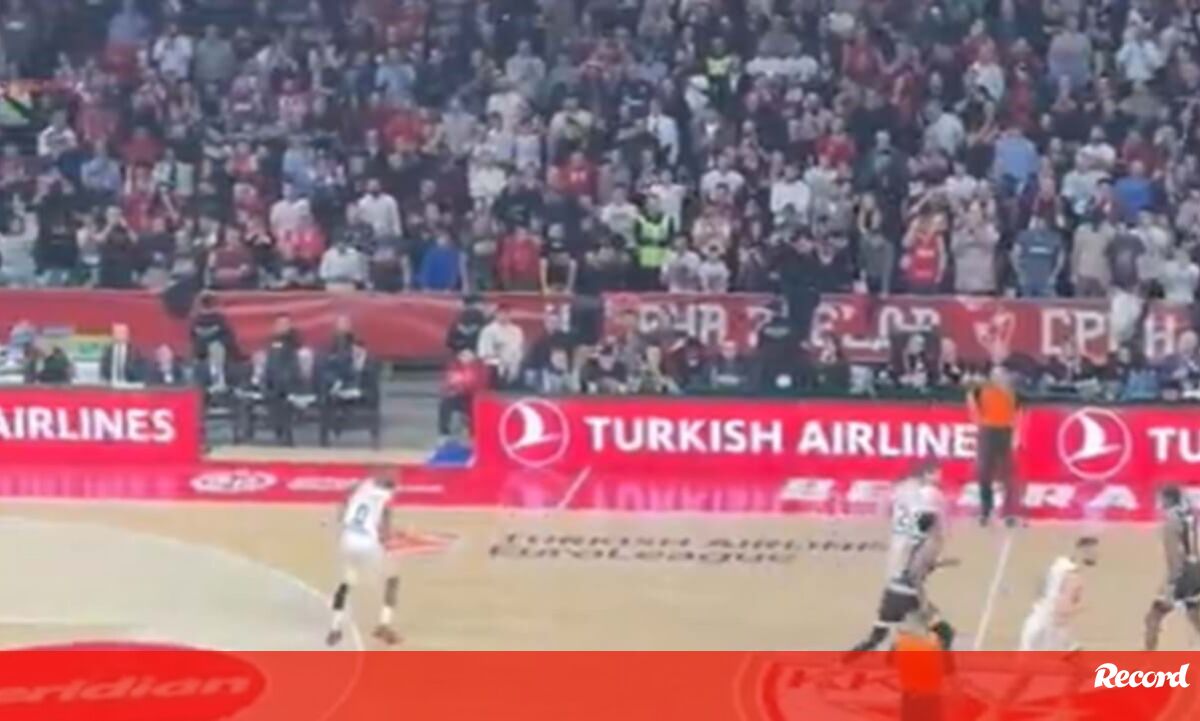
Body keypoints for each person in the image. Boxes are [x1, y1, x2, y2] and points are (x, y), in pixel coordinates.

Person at [850, 511, 957, 654]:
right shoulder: (932, 545)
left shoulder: (919, 541)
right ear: (932, 527)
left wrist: (942, 563)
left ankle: (843, 662)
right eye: (938, 524)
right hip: (908, 595)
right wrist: (924, 602)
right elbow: (915, 575)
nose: (942, 526)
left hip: (893, 590)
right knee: (945, 633)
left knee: (877, 637)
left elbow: (917, 564)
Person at [327, 472, 402, 647]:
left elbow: (343, 504)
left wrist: (341, 521)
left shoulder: (360, 488)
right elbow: (385, 527)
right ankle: (384, 626)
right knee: (392, 579)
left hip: (347, 539)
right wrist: (387, 536)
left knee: (345, 584)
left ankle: (334, 628)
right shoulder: (385, 497)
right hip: (367, 543)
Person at [1019, 536, 1098, 652]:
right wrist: (1082, 608)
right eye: (1092, 552)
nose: (1095, 555)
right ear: (1083, 551)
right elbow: (1062, 608)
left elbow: (1040, 587)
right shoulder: (1074, 575)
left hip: (1036, 620)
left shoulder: (1058, 564)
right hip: (1050, 630)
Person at [1145, 486, 1200, 650]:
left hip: (1181, 574)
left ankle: (1147, 658)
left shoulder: (1170, 521)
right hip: (1195, 570)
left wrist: (1173, 581)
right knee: (1194, 614)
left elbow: (1174, 553)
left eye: (1160, 498)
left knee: (1153, 616)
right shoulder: (1188, 517)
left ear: (1167, 499)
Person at [967, 366, 1020, 526]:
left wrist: (1016, 433)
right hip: (988, 431)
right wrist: (979, 420)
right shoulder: (982, 390)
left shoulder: (1011, 392)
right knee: (984, 472)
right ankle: (986, 510)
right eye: (996, 375)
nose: (1000, 378)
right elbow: (970, 398)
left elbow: (1018, 413)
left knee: (1007, 474)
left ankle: (1009, 512)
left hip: (1005, 431)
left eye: (1002, 375)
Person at [887, 461, 945, 581]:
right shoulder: (924, 492)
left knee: (896, 571)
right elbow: (925, 516)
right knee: (912, 570)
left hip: (898, 535)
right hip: (911, 534)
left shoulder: (899, 491)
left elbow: (890, 509)